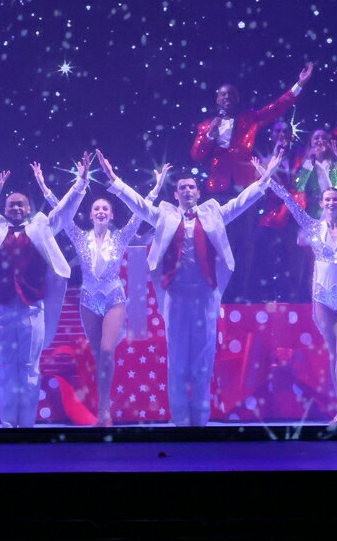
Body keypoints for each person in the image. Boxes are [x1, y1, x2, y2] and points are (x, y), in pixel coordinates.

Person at [107, 145, 284, 427]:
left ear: (198, 193)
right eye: (182, 188)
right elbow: (139, 204)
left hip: (205, 295)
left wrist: (265, 179)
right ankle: (180, 420)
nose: (188, 191)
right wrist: (115, 182)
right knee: (177, 358)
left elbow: (240, 203)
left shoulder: (213, 215)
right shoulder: (165, 217)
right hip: (176, 296)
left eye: (191, 187)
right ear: (176, 195)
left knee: (203, 358)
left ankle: (200, 420)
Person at [0, 153, 84, 428]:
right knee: (7, 366)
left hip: (32, 307)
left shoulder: (41, 228)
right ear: (5, 208)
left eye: (21, 204)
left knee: (30, 367)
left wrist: (80, 183)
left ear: (29, 208)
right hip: (2, 307)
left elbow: (64, 211)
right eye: (11, 205)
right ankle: (8, 423)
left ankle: (27, 424)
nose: (16, 208)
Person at [38, 151, 167, 426]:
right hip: (88, 300)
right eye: (96, 208)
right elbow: (61, 216)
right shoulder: (79, 237)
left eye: (105, 209)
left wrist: (155, 189)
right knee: (98, 357)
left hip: (113, 298)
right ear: (90, 214)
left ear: (110, 215)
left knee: (107, 350)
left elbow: (140, 214)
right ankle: (101, 404)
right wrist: (45, 189)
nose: (100, 212)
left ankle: (105, 409)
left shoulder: (121, 237)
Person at [263, 162, 337, 425]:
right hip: (322, 296)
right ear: (321, 203)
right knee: (334, 353)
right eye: (327, 199)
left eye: (335, 199)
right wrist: (267, 176)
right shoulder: (311, 227)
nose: (331, 202)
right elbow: (289, 201)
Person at [192, 61, 314, 297]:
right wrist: (209, 136)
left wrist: (299, 85)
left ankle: (241, 292)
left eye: (231, 94)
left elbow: (276, 108)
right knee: (217, 241)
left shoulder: (249, 119)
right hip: (217, 189)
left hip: (243, 188)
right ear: (217, 99)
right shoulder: (206, 125)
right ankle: (218, 292)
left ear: (237, 99)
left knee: (245, 241)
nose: (227, 98)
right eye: (223, 94)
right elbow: (197, 155)